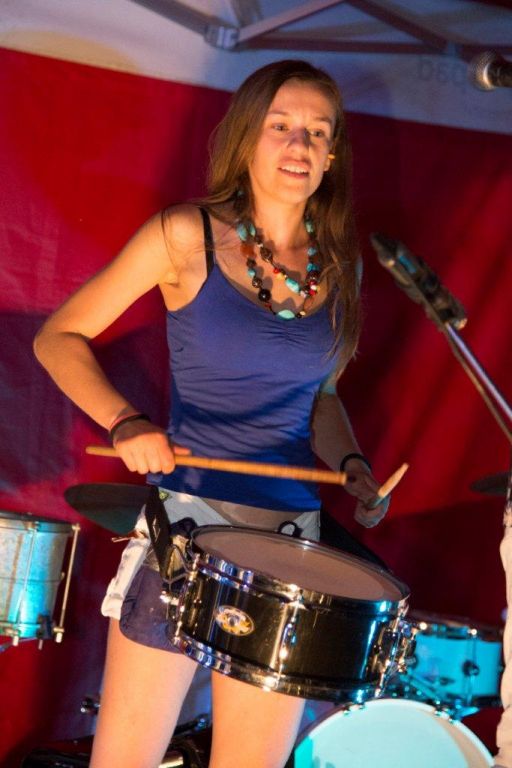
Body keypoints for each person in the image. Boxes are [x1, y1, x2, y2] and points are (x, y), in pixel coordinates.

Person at [34, 59, 390, 768]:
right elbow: (58, 338)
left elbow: (320, 397)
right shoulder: (184, 234)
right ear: (246, 137)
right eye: (281, 126)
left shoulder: (340, 266)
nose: (299, 145)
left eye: (318, 132)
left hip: (289, 544)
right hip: (188, 530)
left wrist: (350, 462)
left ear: (333, 154)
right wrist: (125, 421)